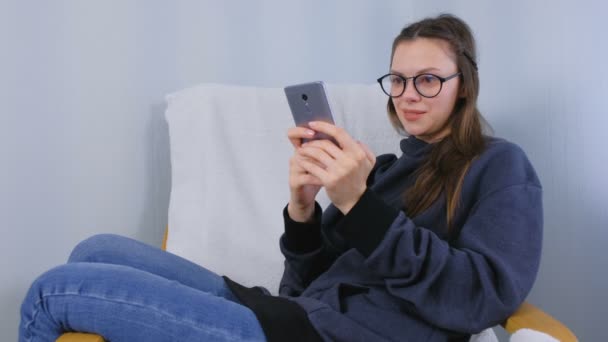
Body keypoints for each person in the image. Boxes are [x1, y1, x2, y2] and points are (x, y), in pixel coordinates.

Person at [19, 13, 543, 342]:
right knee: (96, 248)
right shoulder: (383, 171)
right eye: (399, 79)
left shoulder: (500, 165)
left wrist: (361, 206)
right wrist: (303, 208)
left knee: (50, 292)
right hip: (292, 314)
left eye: (428, 80)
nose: (408, 94)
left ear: (465, 86)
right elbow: (303, 286)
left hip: (330, 334)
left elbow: (481, 294)